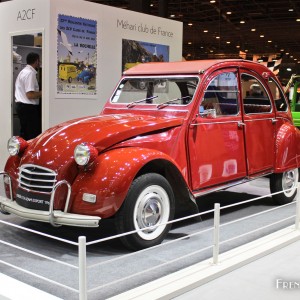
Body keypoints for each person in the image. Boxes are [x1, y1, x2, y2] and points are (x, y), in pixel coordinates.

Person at [15, 52, 42, 140]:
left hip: (22, 107)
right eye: (39, 60)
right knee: (32, 135)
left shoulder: (23, 71)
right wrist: (43, 93)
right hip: (28, 108)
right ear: (36, 61)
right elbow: (30, 94)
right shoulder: (30, 73)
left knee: (25, 133)